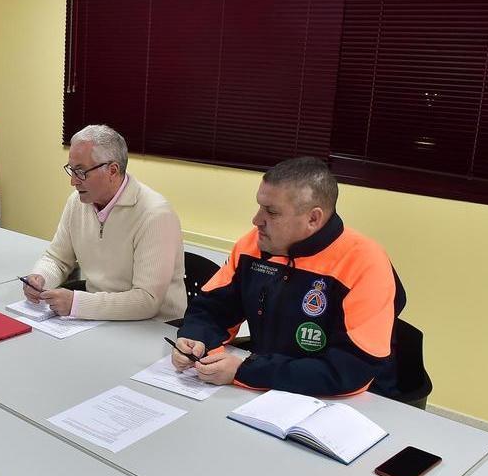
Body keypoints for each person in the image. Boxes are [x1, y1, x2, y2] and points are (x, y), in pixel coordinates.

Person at [171, 156, 406, 397]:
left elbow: (351, 370)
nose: (256, 220)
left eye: (271, 212)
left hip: (348, 401)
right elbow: (212, 309)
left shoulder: (366, 263)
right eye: (260, 206)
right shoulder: (253, 246)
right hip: (268, 388)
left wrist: (245, 371)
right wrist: (195, 339)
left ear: (313, 219)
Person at [22, 125, 186, 320]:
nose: (73, 181)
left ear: (113, 171)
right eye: (71, 170)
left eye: (81, 172)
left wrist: (77, 303)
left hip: (154, 328)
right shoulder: (77, 202)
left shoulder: (155, 214)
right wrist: (40, 278)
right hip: (99, 320)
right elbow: (56, 259)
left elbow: (147, 301)